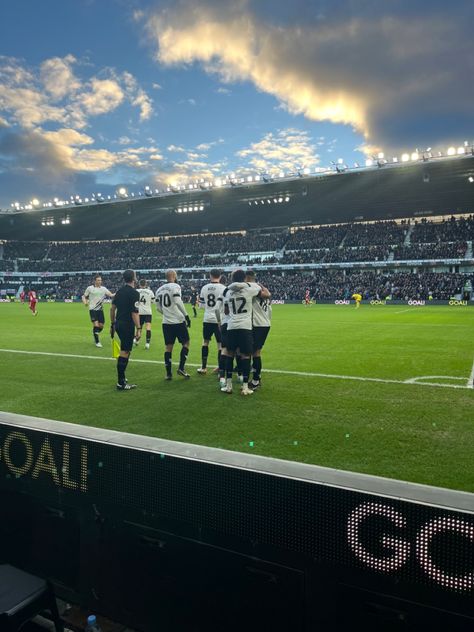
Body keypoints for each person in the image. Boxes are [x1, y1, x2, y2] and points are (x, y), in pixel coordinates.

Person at [221, 269, 271, 396]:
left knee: (231, 353)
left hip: (239, 325)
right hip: (251, 325)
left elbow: (226, 311)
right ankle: (246, 384)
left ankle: (232, 384)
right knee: (247, 354)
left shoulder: (227, 291)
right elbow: (267, 294)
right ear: (244, 278)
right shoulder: (252, 288)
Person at [156, 269, 191, 380]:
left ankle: (168, 374)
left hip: (166, 322)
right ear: (175, 276)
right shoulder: (176, 286)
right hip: (178, 321)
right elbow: (177, 300)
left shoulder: (159, 289)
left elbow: (158, 308)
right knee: (186, 343)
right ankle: (181, 368)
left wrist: (166, 313)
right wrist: (186, 315)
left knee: (168, 347)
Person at [110, 269, 141, 391]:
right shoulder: (134, 293)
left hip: (118, 324)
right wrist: (139, 328)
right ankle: (120, 382)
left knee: (126, 350)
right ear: (133, 278)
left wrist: (112, 324)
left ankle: (122, 378)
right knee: (125, 351)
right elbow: (134, 313)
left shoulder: (119, 292)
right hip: (127, 325)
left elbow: (112, 309)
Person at [245, 270, 272, 390]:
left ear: (247, 278)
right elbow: (267, 294)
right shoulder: (261, 287)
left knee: (256, 352)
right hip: (265, 323)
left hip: (258, 324)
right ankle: (254, 373)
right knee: (253, 351)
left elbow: (266, 295)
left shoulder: (252, 288)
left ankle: (256, 380)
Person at [197, 269, 225, 375]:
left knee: (205, 342)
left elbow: (201, 306)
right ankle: (220, 368)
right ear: (220, 276)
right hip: (219, 320)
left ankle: (203, 368)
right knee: (220, 345)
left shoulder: (204, 288)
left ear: (210, 276)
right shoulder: (223, 288)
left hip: (207, 318)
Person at [82, 274, 114, 348]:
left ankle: (95, 333)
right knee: (96, 325)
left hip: (100, 310)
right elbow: (84, 296)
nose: (100, 281)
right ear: (95, 281)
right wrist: (85, 302)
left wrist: (119, 293)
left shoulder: (103, 289)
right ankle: (97, 342)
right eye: (98, 280)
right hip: (93, 309)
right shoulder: (90, 288)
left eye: (100, 280)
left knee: (101, 326)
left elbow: (111, 295)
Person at [134, 279, 155, 349]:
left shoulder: (136, 291)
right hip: (148, 312)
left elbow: (135, 301)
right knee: (148, 327)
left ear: (139, 284)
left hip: (139, 312)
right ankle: (147, 343)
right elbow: (153, 301)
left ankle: (136, 340)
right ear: (146, 284)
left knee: (139, 327)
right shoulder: (150, 291)